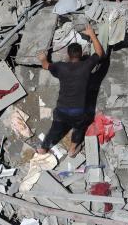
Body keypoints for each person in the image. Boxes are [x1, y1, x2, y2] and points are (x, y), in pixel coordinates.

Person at [37, 24, 105, 156]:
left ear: (68, 55)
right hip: (78, 112)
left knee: (55, 129)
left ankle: (43, 148)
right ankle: (72, 150)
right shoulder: (86, 66)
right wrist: (92, 35)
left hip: (61, 109)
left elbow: (45, 65)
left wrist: (43, 58)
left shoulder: (61, 67)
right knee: (79, 128)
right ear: (81, 54)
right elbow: (99, 53)